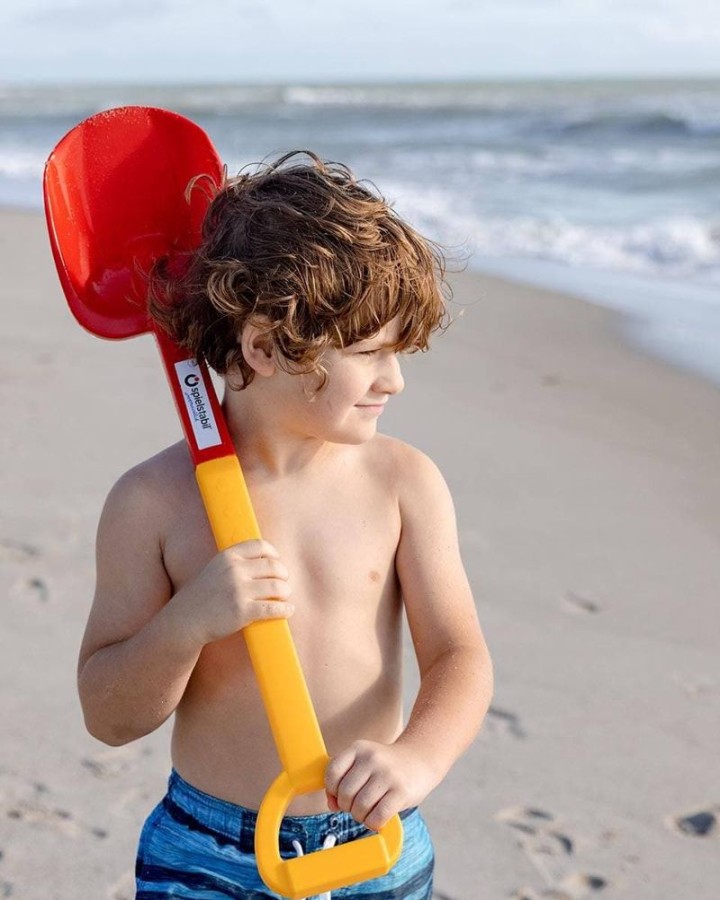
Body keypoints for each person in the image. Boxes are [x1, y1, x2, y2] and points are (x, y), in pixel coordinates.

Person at [75, 151, 494, 899]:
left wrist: (419, 759)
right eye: (369, 354)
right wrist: (187, 624)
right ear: (264, 347)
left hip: (375, 840)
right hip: (211, 851)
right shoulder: (153, 504)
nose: (394, 380)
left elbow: (460, 656)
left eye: (400, 353)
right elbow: (108, 715)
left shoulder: (402, 484)